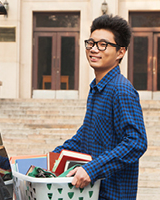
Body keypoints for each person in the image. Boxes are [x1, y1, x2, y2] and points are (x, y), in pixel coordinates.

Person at [52, 14, 148, 200]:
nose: (94, 49)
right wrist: (54, 156)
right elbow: (86, 135)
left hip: (113, 193)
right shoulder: (97, 88)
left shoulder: (121, 89)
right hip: (94, 192)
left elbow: (136, 142)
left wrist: (92, 169)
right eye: (91, 43)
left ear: (120, 52)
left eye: (103, 45)